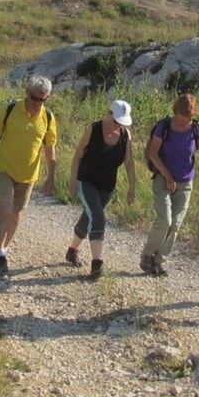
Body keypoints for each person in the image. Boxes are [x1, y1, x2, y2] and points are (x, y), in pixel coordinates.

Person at [0, 75, 57, 279]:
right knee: (5, 206)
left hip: (28, 175)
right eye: (35, 98)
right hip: (5, 169)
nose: (39, 103)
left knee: (17, 214)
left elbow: (50, 148)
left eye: (43, 99)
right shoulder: (10, 110)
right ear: (27, 93)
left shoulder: (48, 117)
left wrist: (51, 176)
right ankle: (0, 254)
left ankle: (4, 250)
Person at [140, 93, 199, 277]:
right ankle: (147, 255)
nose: (187, 120)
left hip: (185, 182)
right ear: (177, 112)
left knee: (175, 224)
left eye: (190, 116)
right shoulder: (164, 126)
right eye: (185, 116)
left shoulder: (197, 128)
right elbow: (152, 153)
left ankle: (159, 262)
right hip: (162, 179)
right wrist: (167, 176)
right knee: (164, 220)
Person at [65, 99, 136, 280]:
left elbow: (129, 162)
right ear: (109, 113)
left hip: (107, 186)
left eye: (122, 122)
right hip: (86, 180)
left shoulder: (126, 136)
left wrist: (132, 187)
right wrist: (72, 183)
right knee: (98, 217)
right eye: (116, 120)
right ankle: (97, 264)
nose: (118, 125)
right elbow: (77, 156)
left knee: (88, 217)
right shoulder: (93, 129)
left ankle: (72, 250)